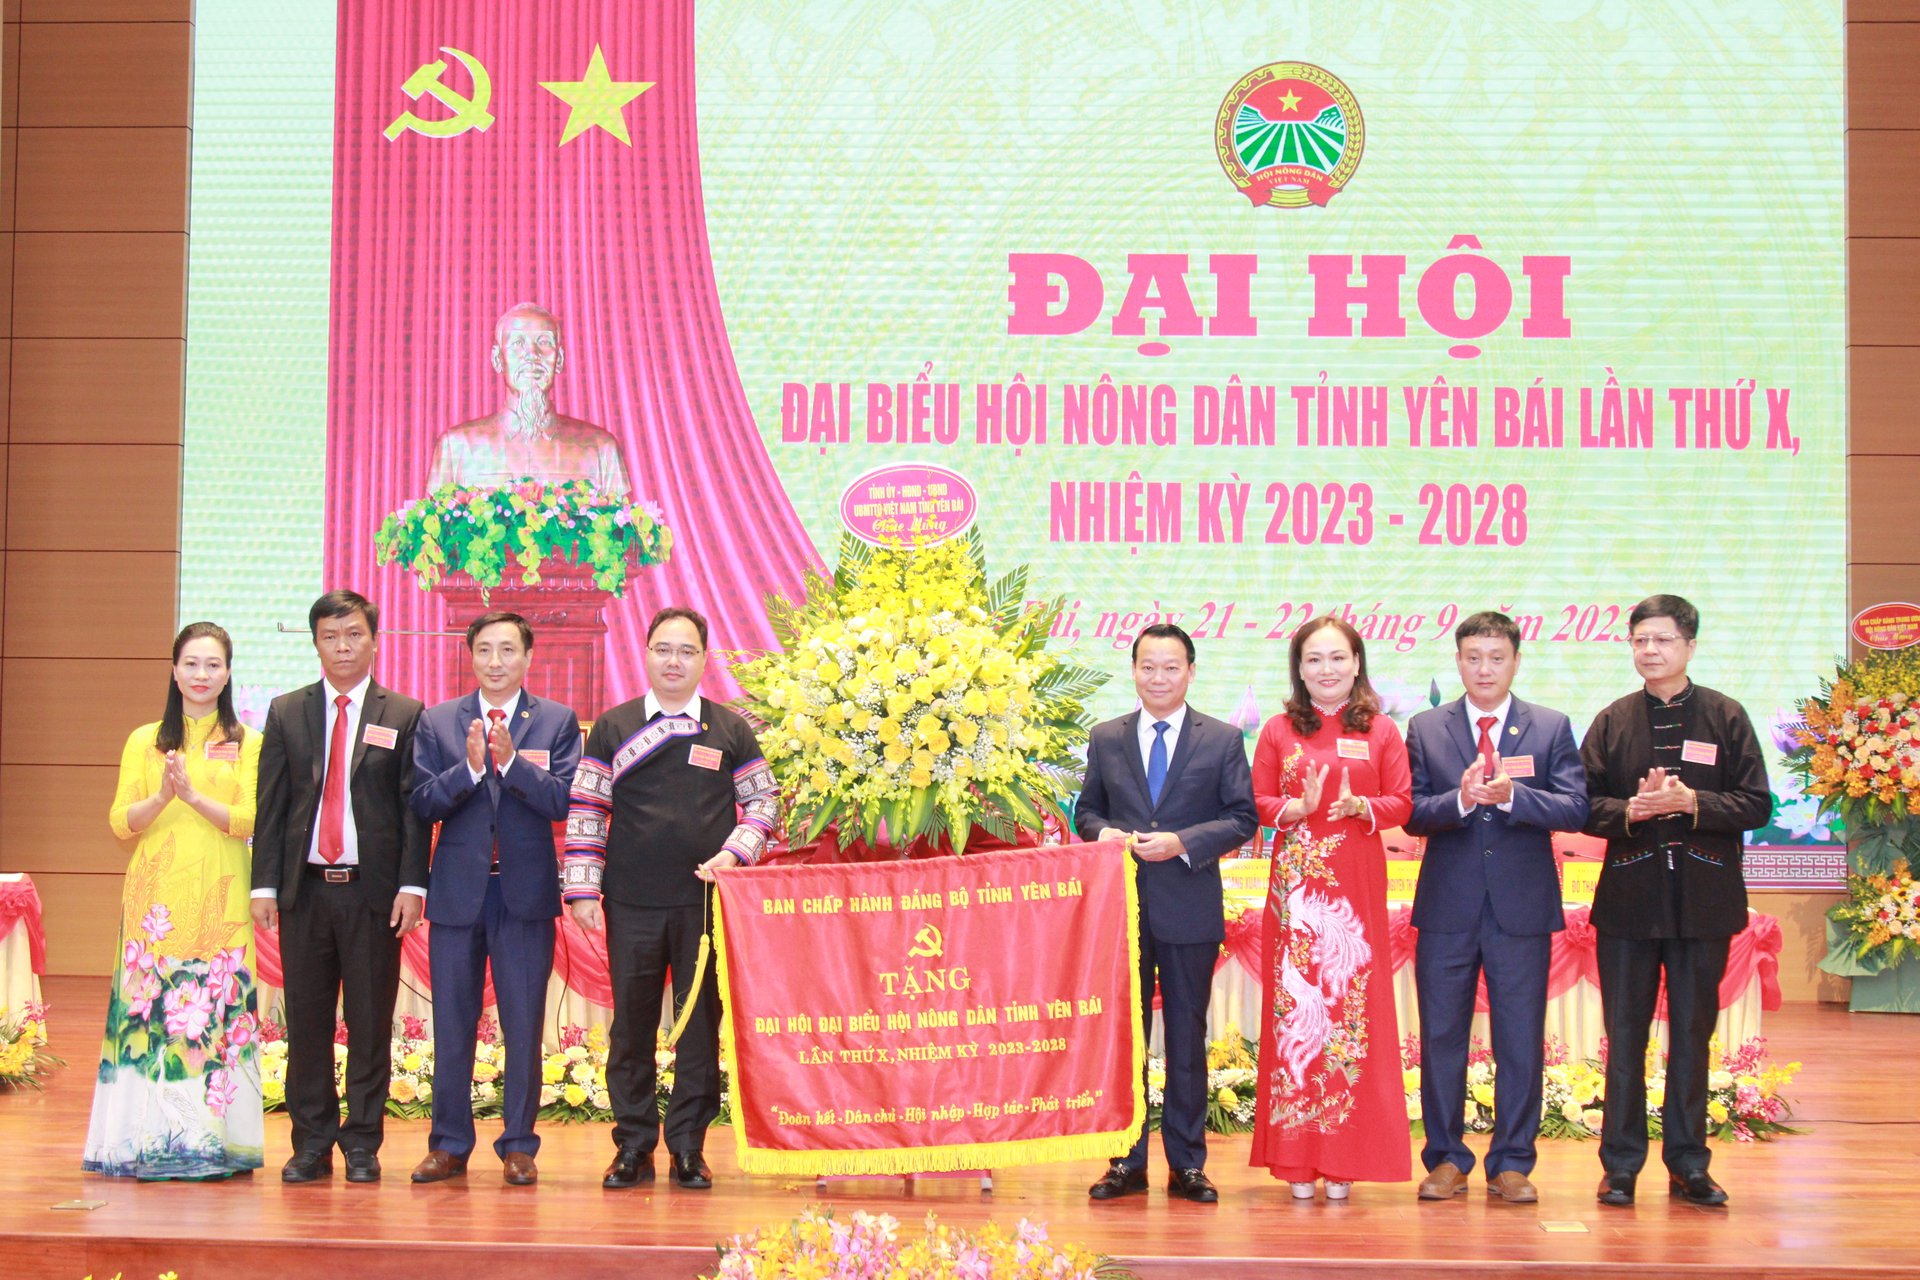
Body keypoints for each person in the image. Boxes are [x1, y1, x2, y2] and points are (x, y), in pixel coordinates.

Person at [562, 606, 779, 1190]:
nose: (674, 660)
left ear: (704, 659)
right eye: (663, 649)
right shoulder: (612, 726)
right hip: (628, 902)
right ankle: (631, 1146)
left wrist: (734, 853)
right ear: (646, 654)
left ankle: (688, 1147)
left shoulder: (730, 728)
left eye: (686, 650)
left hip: (704, 907)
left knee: (698, 1029)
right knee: (630, 1027)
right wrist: (583, 891)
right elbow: (587, 811)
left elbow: (765, 804)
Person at [1580, 594, 1770, 1208]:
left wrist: (1694, 804)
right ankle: (1621, 1165)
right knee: (1626, 1036)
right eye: (1640, 641)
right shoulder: (1613, 720)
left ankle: (1690, 1163)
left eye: (1662, 640)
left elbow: (1758, 803)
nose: (1650, 651)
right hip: (1629, 904)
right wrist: (1631, 809)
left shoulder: (1725, 716)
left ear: (1689, 644)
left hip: (1704, 899)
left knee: (1691, 1034)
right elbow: (1581, 804)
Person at [1403, 611, 1588, 1204]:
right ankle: (1446, 1159)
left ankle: (1512, 1161)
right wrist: (1456, 798)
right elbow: (1409, 811)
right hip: (1448, 908)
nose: (1484, 668)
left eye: (1496, 657)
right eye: (1473, 657)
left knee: (1519, 1039)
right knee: (1441, 1038)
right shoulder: (1427, 727)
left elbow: (1575, 808)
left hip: (1521, 909)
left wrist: (1516, 797)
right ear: (1458, 661)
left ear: (1515, 660)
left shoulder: (1550, 726)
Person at [251, 590, 430, 1185]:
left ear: (374, 640)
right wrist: (264, 887)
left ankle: (362, 1144)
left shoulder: (403, 714)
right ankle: (311, 1143)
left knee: (371, 1022)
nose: (343, 646)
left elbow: (412, 811)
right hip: (304, 892)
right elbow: (272, 807)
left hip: (373, 895)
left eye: (354, 634)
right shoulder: (286, 712)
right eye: (331, 636)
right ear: (316, 643)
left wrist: (412, 884)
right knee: (306, 1023)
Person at [1076, 622, 1259, 1205]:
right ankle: (1125, 1162)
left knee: (1186, 1037)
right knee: (1126, 1038)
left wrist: (1183, 842)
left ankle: (1188, 1163)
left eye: (1171, 667)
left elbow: (1242, 817)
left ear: (1191, 671)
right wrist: (1109, 834)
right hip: (1123, 911)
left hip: (1189, 907)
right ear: (1133, 670)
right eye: (1148, 667)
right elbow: (1086, 813)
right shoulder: (1106, 737)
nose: (1159, 677)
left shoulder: (1223, 739)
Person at [84, 622, 265, 1179]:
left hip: (222, 898)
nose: (202, 675)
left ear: (229, 672)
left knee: (211, 1019)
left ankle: (210, 1143)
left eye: (213, 665)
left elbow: (249, 820)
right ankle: (146, 1141)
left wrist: (192, 795)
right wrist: (164, 794)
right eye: (191, 663)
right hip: (154, 900)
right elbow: (121, 823)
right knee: (154, 1020)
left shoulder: (250, 740)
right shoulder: (146, 741)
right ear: (173, 670)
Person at [407, 612, 581, 1187]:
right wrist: (472, 769)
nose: (497, 662)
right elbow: (423, 802)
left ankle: (519, 1145)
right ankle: (450, 1145)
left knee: (523, 1024)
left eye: (509, 650)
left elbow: (564, 803)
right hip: (458, 895)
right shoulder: (437, 721)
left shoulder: (556, 721)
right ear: (471, 656)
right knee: (453, 1022)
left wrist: (509, 765)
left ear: (528, 657)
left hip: (524, 894)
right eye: (485, 650)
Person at [1248, 616, 1413, 1201]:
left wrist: (1359, 805)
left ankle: (1344, 1156)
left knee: (1349, 1011)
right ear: (1299, 668)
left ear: (1357, 662)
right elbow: (1257, 801)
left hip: (1355, 885)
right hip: (1295, 891)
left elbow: (1403, 802)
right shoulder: (1276, 730)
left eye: (1337, 658)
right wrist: (1295, 807)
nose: (1326, 669)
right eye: (1314, 659)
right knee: (1299, 1009)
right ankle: (1296, 1157)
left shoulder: (1382, 730)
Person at [424, 302, 633, 497]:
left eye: (544, 342)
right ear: (498, 359)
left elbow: (624, 534)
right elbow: (429, 533)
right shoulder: (457, 447)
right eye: (518, 343)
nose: (532, 354)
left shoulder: (599, 448)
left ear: (559, 360)